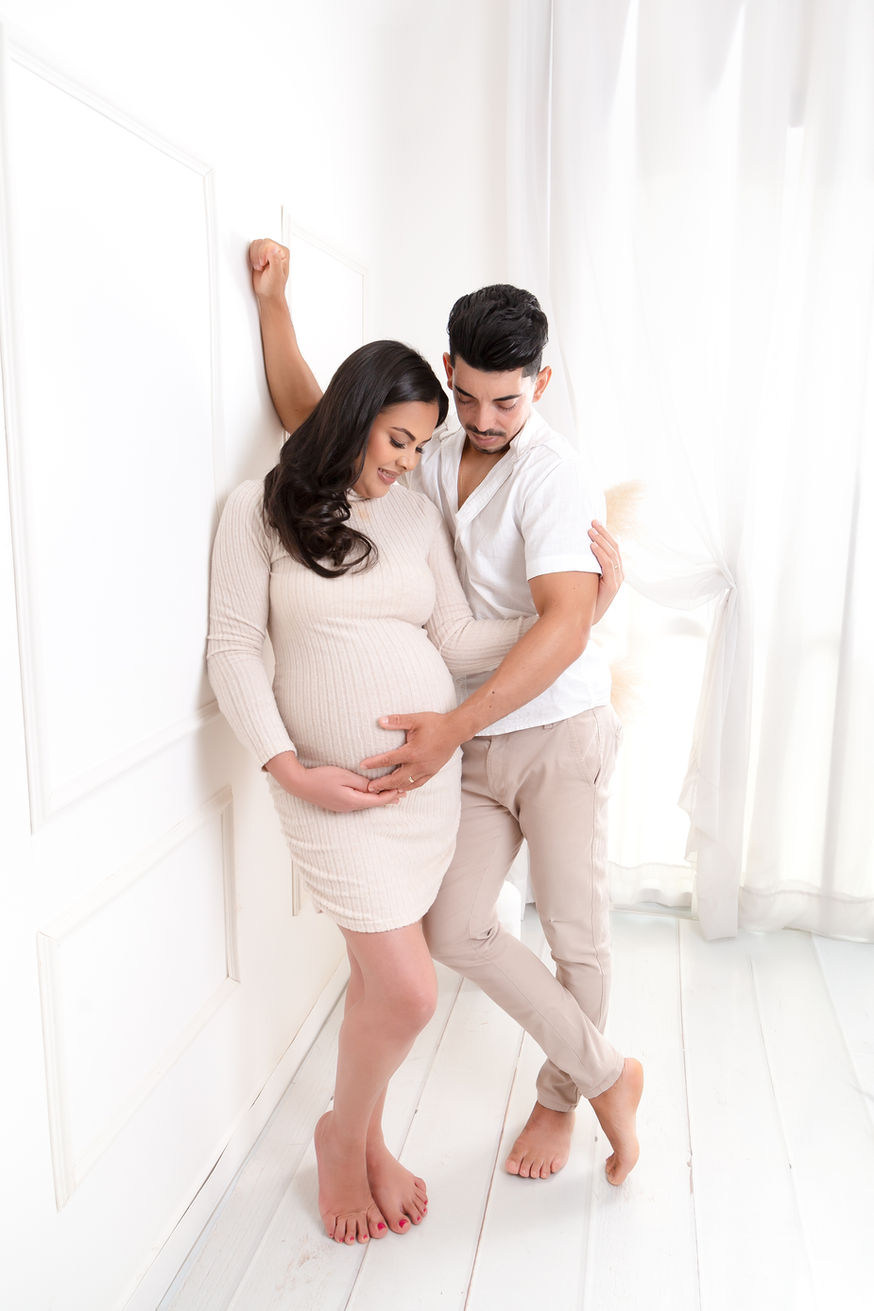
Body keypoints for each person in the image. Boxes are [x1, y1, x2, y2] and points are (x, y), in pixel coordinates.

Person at [249, 239, 643, 1189]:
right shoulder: (432, 442)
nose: (484, 418)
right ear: (448, 368)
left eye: (506, 399)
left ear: (541, 380)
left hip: (553, 733)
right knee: (453, 927)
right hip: (468, 736)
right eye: (467, 395)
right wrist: (275, 303)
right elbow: (317, 418)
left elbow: (559, 629)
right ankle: (609, 1073)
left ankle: (561, 1100)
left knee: (575, 934)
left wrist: (456, 727)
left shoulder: (554, 477)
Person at [207, 340, 537, 1245]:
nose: (408, 461)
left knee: (373, 990)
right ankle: (340, 1140)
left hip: (418, 789)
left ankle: (366, 1137)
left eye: (421, 446)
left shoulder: (413, 518)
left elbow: (459, 639)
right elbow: (234, 646)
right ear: (354, 415)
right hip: (329, 791)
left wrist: (566, 613)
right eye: (398, 438)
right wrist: (286, 764)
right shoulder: (258, 510)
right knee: (408, 993)